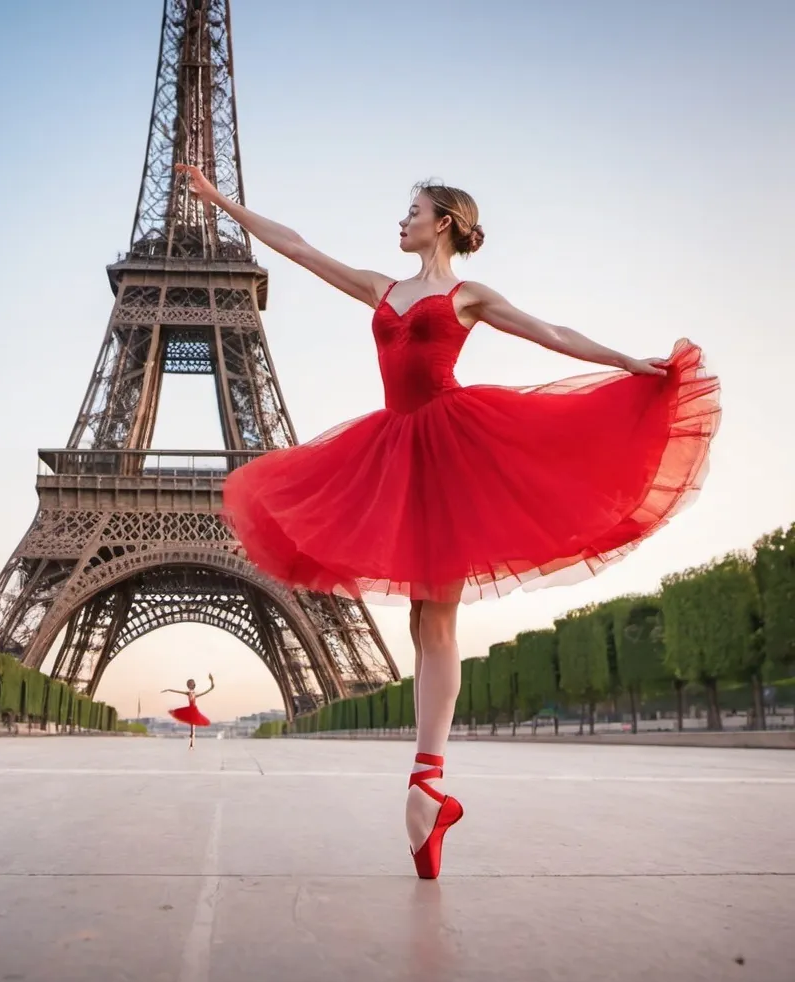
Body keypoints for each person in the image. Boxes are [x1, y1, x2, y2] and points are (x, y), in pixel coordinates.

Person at [175, 163, 721, 879]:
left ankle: (426, 781)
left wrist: (624, 360)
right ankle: (428, 794)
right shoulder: (383, 288)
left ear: (443, 222)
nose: (400, 220)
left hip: (453, 450)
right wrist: (222, 204)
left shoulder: (468, 296)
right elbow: (301, 249)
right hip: (391, 452)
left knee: (436, 623)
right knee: (420, 625)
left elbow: (547, 330)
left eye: (413, 210)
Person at [162, 674, 214, 749]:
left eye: (191, 684)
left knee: (193, 727)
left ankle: (192, 744)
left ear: (193, 685)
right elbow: (177, 691)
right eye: (189, 684)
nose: (190, 685)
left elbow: (210, 688)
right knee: (191, 727)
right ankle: (191, 744)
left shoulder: (195, 694)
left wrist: (211, 680)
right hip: (190, 710)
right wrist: (169, 689)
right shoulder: (188, 693)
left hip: (193, 710)